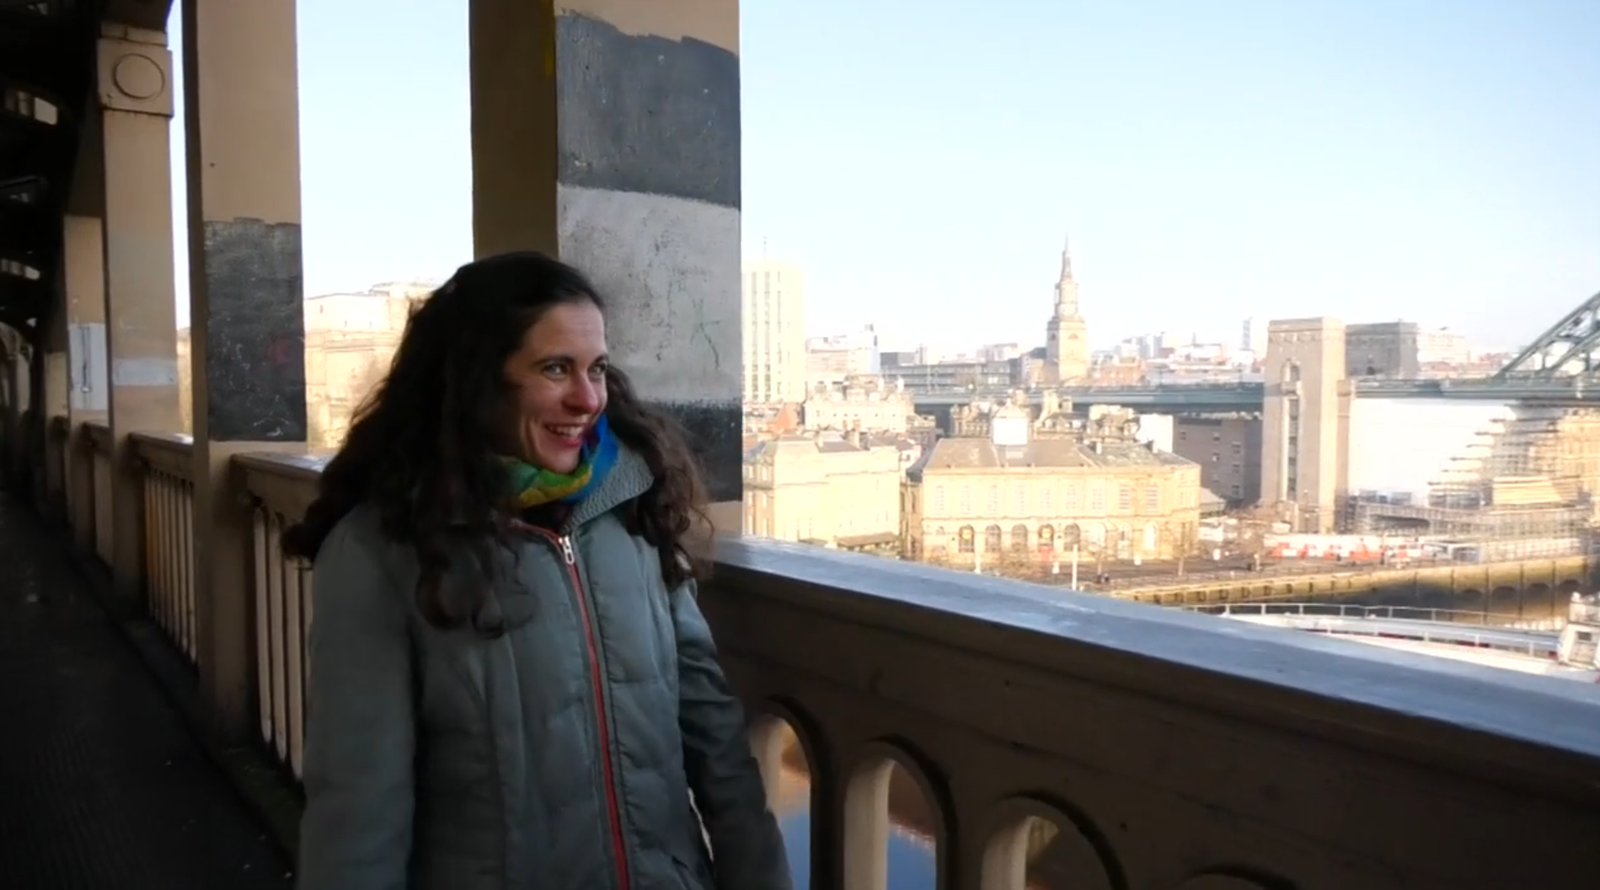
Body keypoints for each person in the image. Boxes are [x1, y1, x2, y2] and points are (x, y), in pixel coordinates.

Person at [283, 251, 791, 890]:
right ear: (475, 380)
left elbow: (713, 734)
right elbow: (359, 816)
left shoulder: (633, 507)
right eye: (555, 368)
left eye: (596, 368)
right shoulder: (380, 550)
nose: (588, 399)